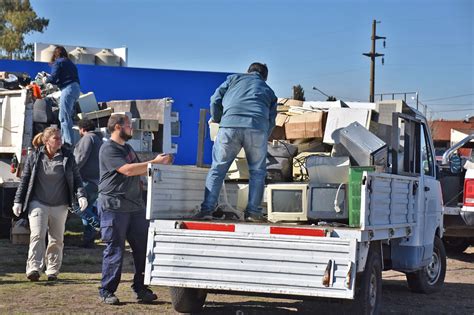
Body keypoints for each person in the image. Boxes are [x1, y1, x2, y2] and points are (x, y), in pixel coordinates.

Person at [98, 114, 173, 305]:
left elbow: (140, 170)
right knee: (115, 249)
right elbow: (128, 170)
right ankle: (107, 290)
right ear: (117, 127)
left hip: (135, 206)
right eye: (129, 125)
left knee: (143, 249)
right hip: (115, 207)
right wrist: (155, 162)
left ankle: (140, 288)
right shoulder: (108, 149)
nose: (132, 128)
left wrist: (159, 166)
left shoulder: (128, 148)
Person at [194, 62, 277, 222]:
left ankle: (207, 210)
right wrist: (263, 135)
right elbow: (272, 120)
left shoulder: (233, 79)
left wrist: (219, 119)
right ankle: (253, 212)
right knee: (257, 173)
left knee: (217, 170)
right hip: (257, 128)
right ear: (264, 77)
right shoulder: (269, 91)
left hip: (229, 127)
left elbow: (214, 99)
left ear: (248, 72)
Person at [12, 127, 87, 282]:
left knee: (56, 238)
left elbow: (77, 179)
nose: (60, 141)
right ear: (46, 141)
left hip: (61, 204)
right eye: (56, 138)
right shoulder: (35, 157)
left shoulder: (67, 156)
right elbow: (25, 180)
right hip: (38, 202)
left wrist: (81, 196)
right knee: (37, 235)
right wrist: (18, 200)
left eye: (60, 138)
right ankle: (34, 267)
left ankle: (52, 269)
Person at [43, 46, 81, 146]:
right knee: (68, 117)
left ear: (55, 55)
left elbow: (54, 78)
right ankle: (69, 141)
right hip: (75, 89)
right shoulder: (70, 63)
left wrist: (45, 79)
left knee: (63, 117)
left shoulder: (58, 62)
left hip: (68, 89)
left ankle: (67, 143)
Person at [74, 119, 103, 248]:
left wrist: (71, 172)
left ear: (82, 129)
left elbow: (80, 158)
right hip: (97, 181)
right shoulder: (98, 139)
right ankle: (88, 239)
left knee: (76, 205)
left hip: (87, 181)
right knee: (87, 208)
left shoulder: (87, 138)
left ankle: (100, 226)